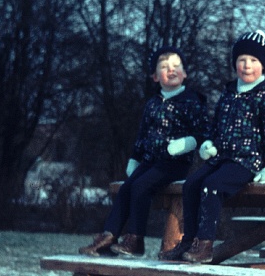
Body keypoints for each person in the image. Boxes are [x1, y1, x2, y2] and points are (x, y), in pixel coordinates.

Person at [159, 29, 265, 264]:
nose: (247, 65)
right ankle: (189, 241)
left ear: (263, 65)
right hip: (221, 157)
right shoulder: (229, 93)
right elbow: (215, 124)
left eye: (253, 61)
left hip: (248, 161)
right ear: (235, 62)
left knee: (211, 185)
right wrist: (209, 142)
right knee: (191, 185)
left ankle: (205, 244)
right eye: (242, 60)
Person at [79, 46, 209, 257]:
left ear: (184, 73)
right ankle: (109, 235)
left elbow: (203, 132)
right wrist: (135, 158)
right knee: (126, 188)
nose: (172, 70)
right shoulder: (152, 104)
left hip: (174, 163)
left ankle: (135, 239)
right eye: (165, 67)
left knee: (140, 186)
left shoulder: (192, 101)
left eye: (177, 66)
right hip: (150, 161)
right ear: (155, 76)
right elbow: (143, 135)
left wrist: (185, 143)